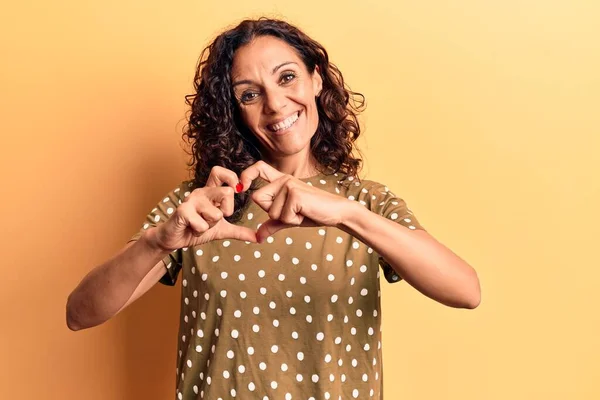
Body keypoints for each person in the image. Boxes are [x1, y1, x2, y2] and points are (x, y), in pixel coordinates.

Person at [66, 17, 480, 400]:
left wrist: (347, 214)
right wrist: (158, 241)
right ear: (235, 111)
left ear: (316, 80)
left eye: (287, 78)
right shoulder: (200, 207)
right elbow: (80, 313)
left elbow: (466, 290)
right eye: (250, 94)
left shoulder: (366, 203)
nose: (276, 104)